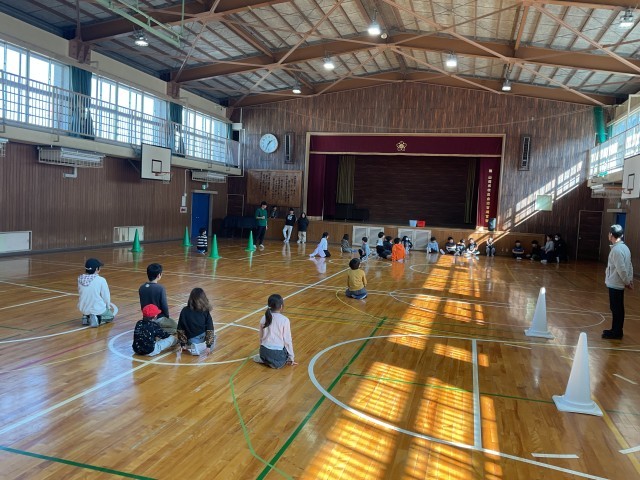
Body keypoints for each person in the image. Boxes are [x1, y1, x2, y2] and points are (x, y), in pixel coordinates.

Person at [603, 224, 634, 339]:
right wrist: (629, 280)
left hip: (615, 283)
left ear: (611, 235)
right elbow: (630, 266)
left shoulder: (616, 250)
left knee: (616, 309)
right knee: (617, 308)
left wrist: (627, 282)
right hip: (617, 283)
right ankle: (615, 330)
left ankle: (617, 332)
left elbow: (622, 269)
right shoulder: (625, 248)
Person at [253, 294, 297, 368]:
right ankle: (272, 361)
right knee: (283, 357)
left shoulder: (264, 317)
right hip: (277, 353)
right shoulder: (285, 320)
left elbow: (260, 337)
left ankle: (264, 359)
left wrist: (262, 349)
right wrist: (291, 358)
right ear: (281, 306)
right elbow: (287, 341)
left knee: (268, 355)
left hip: (264, 351)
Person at [138, 263, 178, 334]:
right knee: (176, 328)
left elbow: (142, 304)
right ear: (159, 275)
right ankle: (157, 331)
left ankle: (151, 328)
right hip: (159, 318)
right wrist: (167, 317)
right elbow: (164, 305)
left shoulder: (141, 287)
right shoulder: (160, 288)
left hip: (146, 318)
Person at [176, 288, 216, 356]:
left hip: (192, 338)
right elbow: (210, 329)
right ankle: (202, 347)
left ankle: (192, 347)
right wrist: (209, 346)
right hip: (203, 336)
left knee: (190, 343)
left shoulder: (184, 310)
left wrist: (182, 344)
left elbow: (180, 328)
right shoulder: (205, 311)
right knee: (214, 337)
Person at [78, 258, 117, 328]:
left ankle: (86, 316)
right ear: (96, 269)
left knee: (89, 303)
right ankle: (97, 319)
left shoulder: (80, 279)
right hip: (96, 308)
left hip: (83, 308)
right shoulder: (101, 280)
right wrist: (107, 307)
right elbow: (106, 296)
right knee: (110, 316)